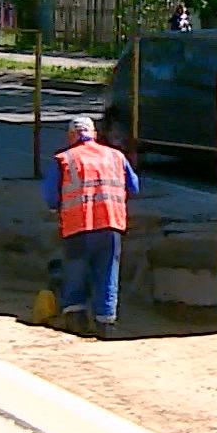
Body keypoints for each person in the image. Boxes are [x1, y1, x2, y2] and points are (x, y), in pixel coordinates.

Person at [42, 116, 139, 336]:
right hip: (110, 222)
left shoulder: (64, 159)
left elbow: (50, 196)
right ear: (94, 134)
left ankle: (76, 318)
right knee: (107, 272)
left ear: (71, 136)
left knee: (76, 270)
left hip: (78, 224)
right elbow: (133, 187)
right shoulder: (116, 156)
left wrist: (57, 207)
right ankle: (105, 322)